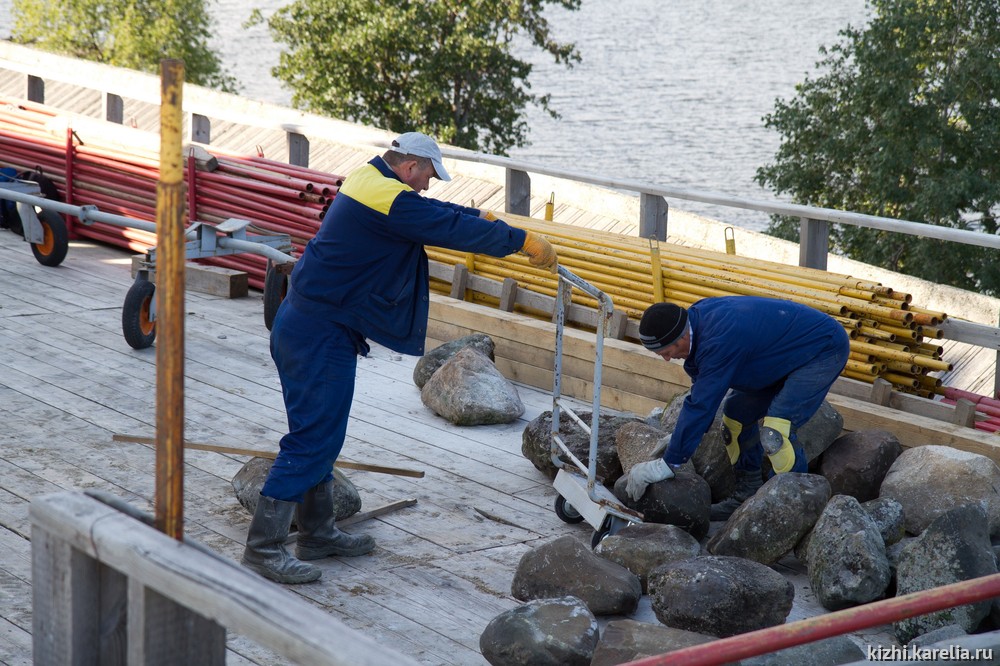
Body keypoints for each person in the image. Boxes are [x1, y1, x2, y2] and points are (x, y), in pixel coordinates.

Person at [243, 132, 557, 583]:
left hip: (308, 323)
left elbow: (436, 214)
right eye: (427, 175)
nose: (427, 185)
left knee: (319, 435)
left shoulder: (369, 181)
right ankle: (264, 549)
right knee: (313, 438)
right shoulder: (391, 199)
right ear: (410, 166)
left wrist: (482, 214)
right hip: (318, 333)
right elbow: (447, 227)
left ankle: (317, 533)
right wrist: (519, 240)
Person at [624, 296, 850, 520]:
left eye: (666, 352)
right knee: (735, 417)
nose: (666, 359)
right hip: (780, 354)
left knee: (777, 431)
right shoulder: (695, 323)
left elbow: (702, 404)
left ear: (681, 336)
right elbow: (703, 394)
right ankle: (747, 494)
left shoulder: (718, 340)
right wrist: (680, 438)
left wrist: (668, 463)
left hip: (822, 348)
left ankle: (789, 514)